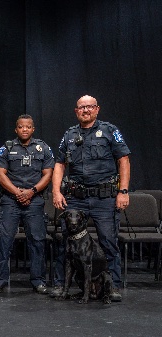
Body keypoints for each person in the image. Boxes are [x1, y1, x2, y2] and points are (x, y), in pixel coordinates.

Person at [50, 95, 130, 302]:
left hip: (104, 198)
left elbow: (124, 159)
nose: (85, 110)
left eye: (90, 107)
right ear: (76, 111)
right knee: (66, 244)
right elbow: (60, 164)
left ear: (97, 109)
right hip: (76, 198)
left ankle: (112, 286)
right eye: (81, 108)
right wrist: (57, 191)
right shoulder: (69, 135)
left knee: (108, 242)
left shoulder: (110, 131)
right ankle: (61, 284)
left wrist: (123, 191)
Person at [0, 114, 54, 294]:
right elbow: (0, 174)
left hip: (34, 200)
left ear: (33, 129)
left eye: (28, 127)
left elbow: (48, 174)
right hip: (10, 200)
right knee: (4, 241)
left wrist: (31, 191)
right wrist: (17, 192)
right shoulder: (7, 148)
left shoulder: (43, 148)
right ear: (16, 129)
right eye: (21, 127)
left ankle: (38, 280)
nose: (24, 129)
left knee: (37, 241)